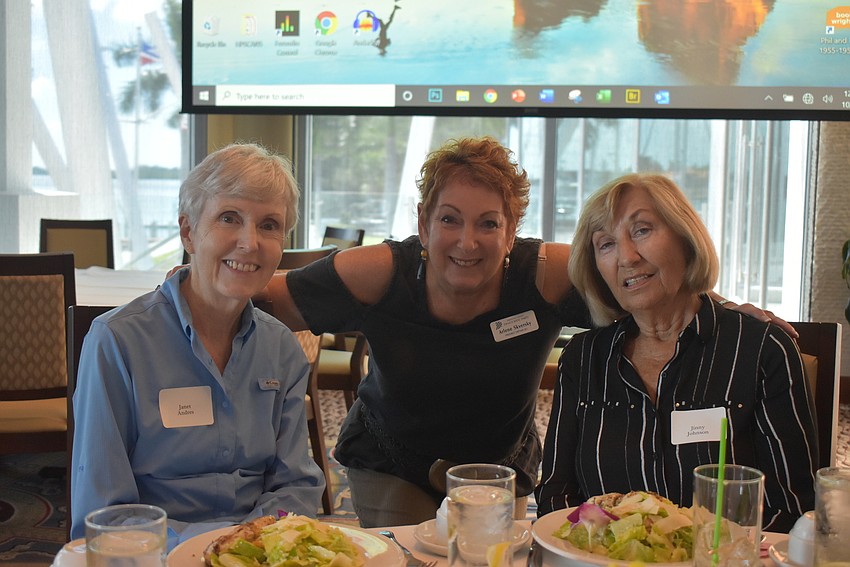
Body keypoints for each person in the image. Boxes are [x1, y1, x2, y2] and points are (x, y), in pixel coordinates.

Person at [264, 137, 789, 528]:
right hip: (391, 457)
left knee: (494, 558)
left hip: (498, 464)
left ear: (511, 230)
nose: (467, 241)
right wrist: (197, 286)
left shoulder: (547, 274)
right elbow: (269, 299)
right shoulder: (379, 272)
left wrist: (717, 306)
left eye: (489, 223)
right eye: (450, 219)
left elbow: (648, 287)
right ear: (424, 223)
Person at [70, 143, 325, 548]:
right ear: (189, 231)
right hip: (153, 554)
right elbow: (103, 513)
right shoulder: (117, 342)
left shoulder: (282, 349)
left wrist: (248, 544)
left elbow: (295, 485)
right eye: (229, 218)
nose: (249, 242)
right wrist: (205, 548)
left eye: (269, 225)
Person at [533, 173, 817, 533]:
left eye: (641, 230)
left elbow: (791, 510)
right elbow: (556, 494)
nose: (627, 257)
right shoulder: (583, 359)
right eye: (606, 244)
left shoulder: (762, 350)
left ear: (685, 238)